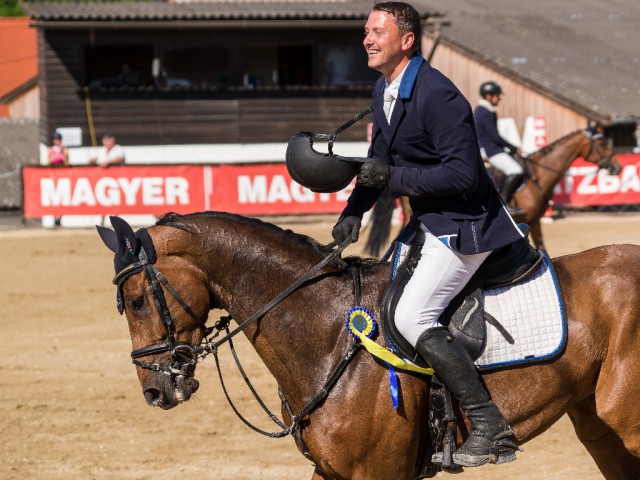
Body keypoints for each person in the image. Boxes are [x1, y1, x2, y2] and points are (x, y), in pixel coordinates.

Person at [330, 2, 523, 467]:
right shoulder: (385, 88)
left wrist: (394, 180)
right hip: (429, 222)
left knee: (414, 316)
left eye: (377, 32)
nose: (367, 40)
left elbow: (463, 175)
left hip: (466, 225)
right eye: (365, 31)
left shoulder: (438, 94)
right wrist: (353, 210)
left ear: (406, 40)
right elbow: (378, 162)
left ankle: (490, 426)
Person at [474, 81, 524, 215]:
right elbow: (495, 136)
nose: (499, 98)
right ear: (488, 96)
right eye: (497, 95)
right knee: (516, 170)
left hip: (491, 147)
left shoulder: (483, 110)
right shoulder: (484, 112)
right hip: (489, 150)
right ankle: (505, 203)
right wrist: (513, 147)